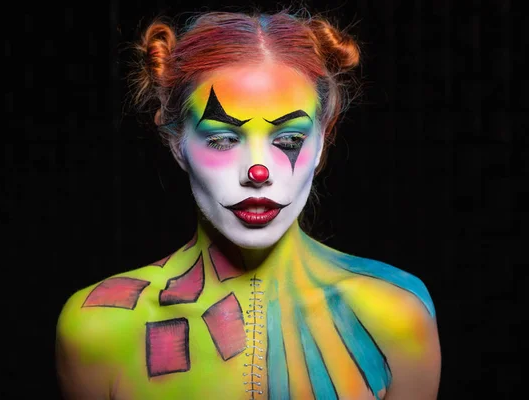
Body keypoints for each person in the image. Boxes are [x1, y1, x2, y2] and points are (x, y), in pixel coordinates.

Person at [55, 9, 441, 400]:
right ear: (176, 142)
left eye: (288, 139)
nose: (258, 172)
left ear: (323, 138)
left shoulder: (395, 314)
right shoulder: (101, 328)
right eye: (223, 139)